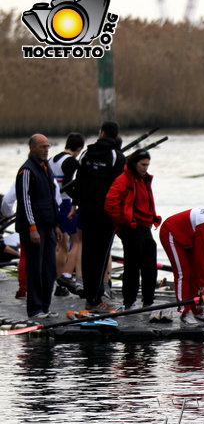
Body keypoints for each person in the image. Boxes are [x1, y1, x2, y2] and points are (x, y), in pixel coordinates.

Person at [70, 121, 125, 313]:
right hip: (105, 213)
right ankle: (95, 299)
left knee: (88, 254)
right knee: (101, 255)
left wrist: (74, 205)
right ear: (115, 135)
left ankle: (90, 298)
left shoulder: (87, 153)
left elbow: (79, 180)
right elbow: (120, 188)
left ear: (101, 133)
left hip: (86, 210)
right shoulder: (116, 156)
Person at [105, 149, 162, 310]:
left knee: (150, 265)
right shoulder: (124, 180)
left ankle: (148, 300)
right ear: (134, 163)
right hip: (132, 227)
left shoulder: (144, 179)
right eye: (142, 165)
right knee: (132, 266)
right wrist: (123, 222)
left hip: (145, 226)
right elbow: (110, 203)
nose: (145, 168)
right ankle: (129, 301)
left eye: (147, 165)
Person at [15, 134, 61, 319]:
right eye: (42, 146)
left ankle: (45, 306)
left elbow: (52, 199)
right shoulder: (26, 171)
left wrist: (56, 224)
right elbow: (24, 200)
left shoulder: (46, 168)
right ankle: (34, 309)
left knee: (49, 268)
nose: (46, 149)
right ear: (32, 147)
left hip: (48, 226)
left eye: (47, 146)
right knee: (36, 268)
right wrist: (32, 227)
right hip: (33, 228)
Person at [48, 132, 84, 296]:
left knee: (62, 244)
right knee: (77, 241)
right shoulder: (71, 161)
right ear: (79, 148)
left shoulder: (52, 159)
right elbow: (69, 185)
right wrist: (78, 199)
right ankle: (66, 276)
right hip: (66, 204)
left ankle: (59, 286)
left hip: (54, 204)